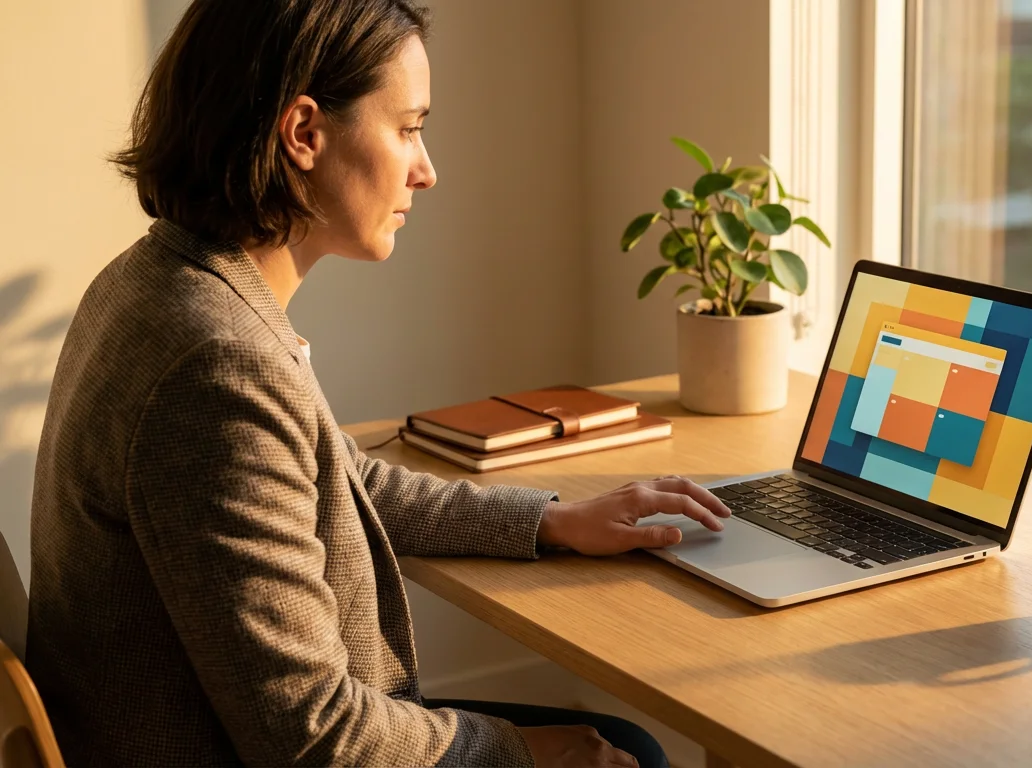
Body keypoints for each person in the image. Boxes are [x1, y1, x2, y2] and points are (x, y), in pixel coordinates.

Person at [25, 1, 730, 766]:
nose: (426, 169)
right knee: (626, 752)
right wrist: (525, 753)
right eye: (407, 127)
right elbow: (317, 739)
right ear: (303, 133)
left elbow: (334, 479)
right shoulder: (218, 363)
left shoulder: (159, 280)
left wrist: (548, 521)